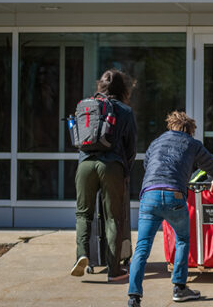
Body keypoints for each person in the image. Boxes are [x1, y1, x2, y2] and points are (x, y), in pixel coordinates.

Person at [127, 111, 213, 307]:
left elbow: (148, 164)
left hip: (149, 195)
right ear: (190, 131)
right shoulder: (192, 143)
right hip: (174, 195)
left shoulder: (156, 142)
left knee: (142, 247)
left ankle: (134, 297)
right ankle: (180, 288)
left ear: (171, 126)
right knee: (182, 239)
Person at [71, 69, 137, 281]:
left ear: (100, 85)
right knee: (113, 218)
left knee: (83, 214)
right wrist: (125, 171)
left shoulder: (86, 105)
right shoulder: (125, 111)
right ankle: (113, 269)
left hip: (85, 165)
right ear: (122, 88)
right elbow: (130, 148)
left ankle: (82, 255)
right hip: (111, 166)